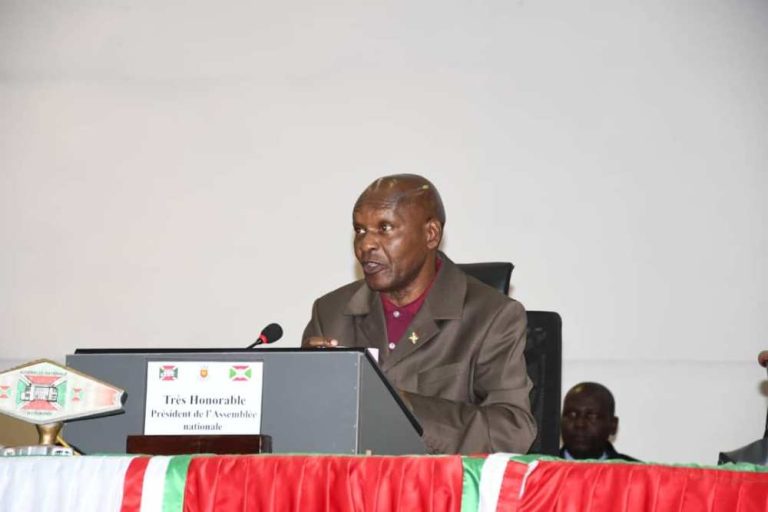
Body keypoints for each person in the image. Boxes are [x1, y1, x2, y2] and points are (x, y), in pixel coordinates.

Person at [302, 174, 536, 454]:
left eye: (385, 228)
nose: (366, 245)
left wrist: (402, 408)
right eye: (360, 230)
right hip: (351, 490)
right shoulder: (330, 312)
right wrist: (307, 387)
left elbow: (512, 431)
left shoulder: (492, 317)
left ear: (430, 235)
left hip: (438, 491)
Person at [560, 382, 638, 461]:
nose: (580, 424)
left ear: (613, 426)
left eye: (592, 416)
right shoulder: (547, 470)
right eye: (572, 415)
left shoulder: (637, 472)